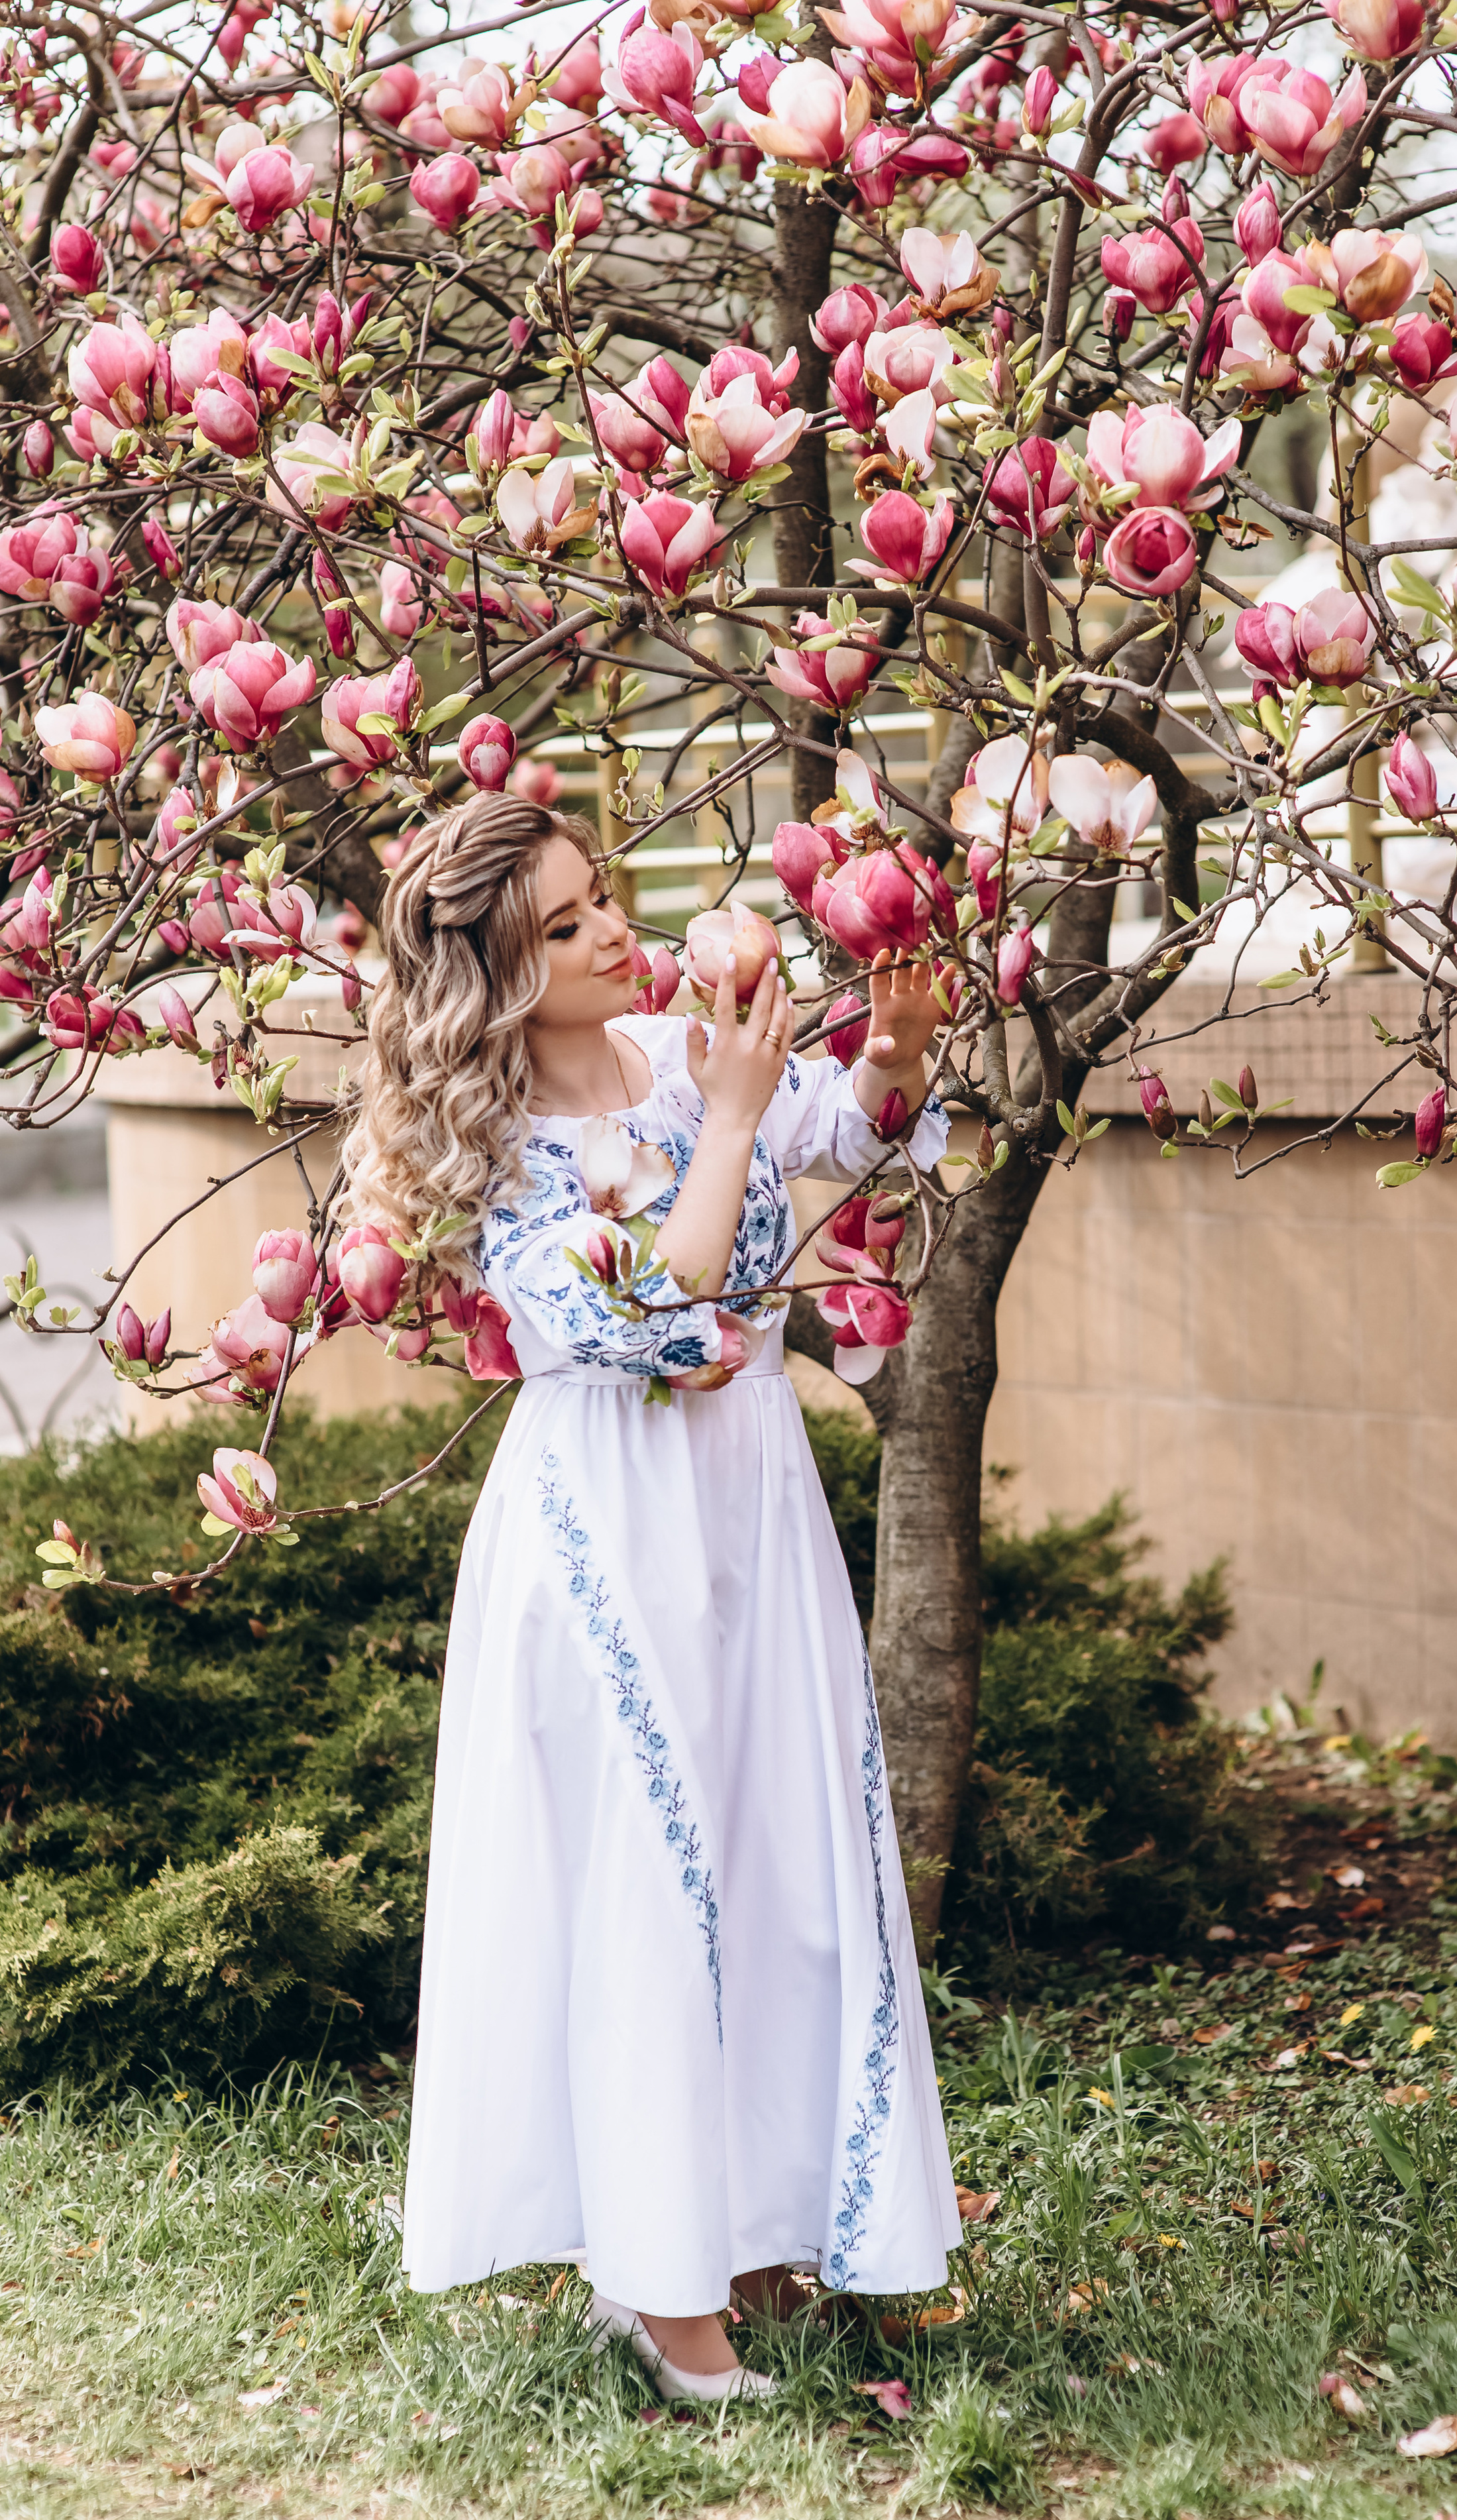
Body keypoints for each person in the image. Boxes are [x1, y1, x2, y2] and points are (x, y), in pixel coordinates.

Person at [343, 792, 962, 2401]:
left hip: (744, 1503)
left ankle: (754, 2227)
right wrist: (741, 1119)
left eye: (599, 898)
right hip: (605, 1527)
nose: (612, 932)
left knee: (774, 1861)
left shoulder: (676, 1052)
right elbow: (648, 1309)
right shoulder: (492, 1149)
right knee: (648, 1880)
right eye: (562, 929)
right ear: (496, 975)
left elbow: (857, 1130)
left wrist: (887, 1052)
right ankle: (663, 2290)